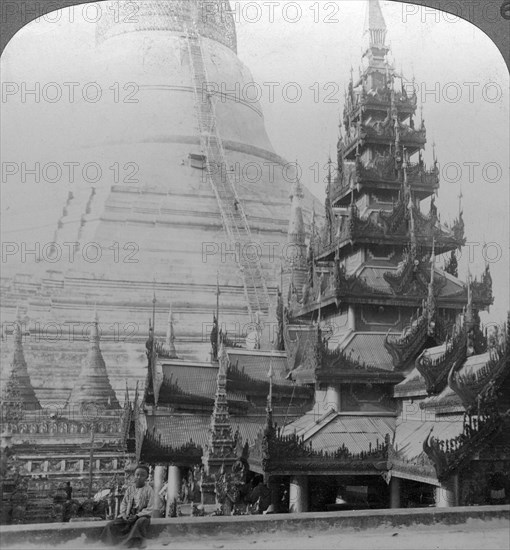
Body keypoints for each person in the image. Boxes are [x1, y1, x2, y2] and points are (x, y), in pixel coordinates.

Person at [100, 465, 154, 549]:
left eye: (142, 475)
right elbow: (124, 503)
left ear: (146, 477)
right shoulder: (130, 489)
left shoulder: (149, 490)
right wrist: (124, 514)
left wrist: (137, 515)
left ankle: (132, 542)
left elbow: (150, 507)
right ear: (134, 475)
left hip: (141, 516)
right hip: (128, 514)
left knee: (140, 522)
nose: (139, 477)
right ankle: (112, 543)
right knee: (111, 525)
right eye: (137, 474)